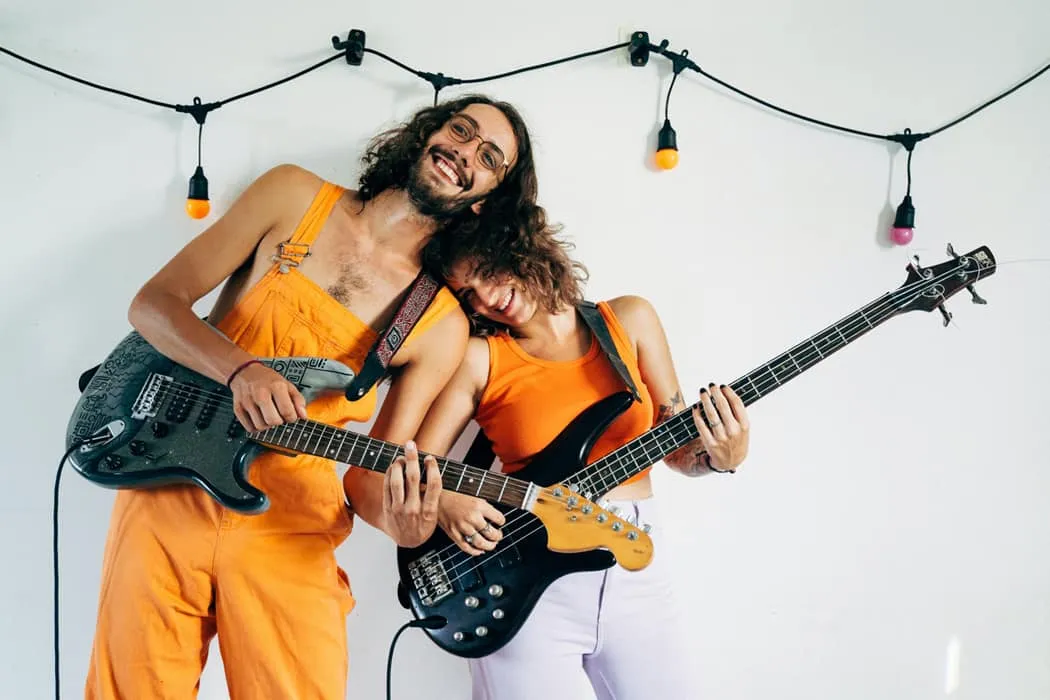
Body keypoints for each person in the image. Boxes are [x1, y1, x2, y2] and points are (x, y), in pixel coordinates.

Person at [83, 94, 543, 699]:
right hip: (168, 490)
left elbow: (369, 480)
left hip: (293, 530)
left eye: (488, 158)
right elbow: (154, 305)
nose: (465, 154)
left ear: (485, 196)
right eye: (462, 131)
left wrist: (406, 524)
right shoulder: (292, 195)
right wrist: (241, 369)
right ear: (430, 130)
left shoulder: (439, 325)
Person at [408, 219, 752, 699]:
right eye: (468, 294)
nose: (485, 299)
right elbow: (413, 462)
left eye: (486, 270)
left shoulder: (629, 320)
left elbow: (678, 450)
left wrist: (721, 457)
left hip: (637, 567)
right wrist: (445, 502)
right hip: (528, 576)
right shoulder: (480, 358)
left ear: (522, 245)